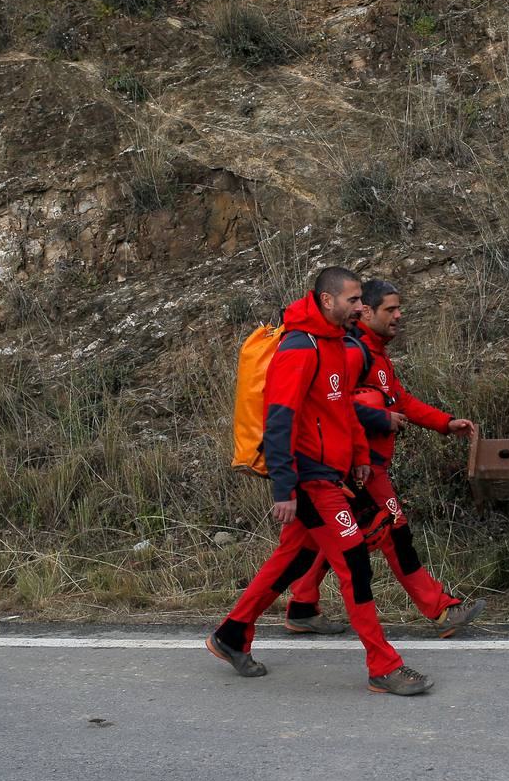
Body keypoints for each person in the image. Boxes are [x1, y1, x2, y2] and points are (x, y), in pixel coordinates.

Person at [206, 267, 432, 696]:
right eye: (353, 301)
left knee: (290, 560)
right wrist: (284, 490)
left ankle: (232, 634)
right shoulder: (299, 348)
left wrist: (361, 458)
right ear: (327, 301)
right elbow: (280, 423)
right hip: (310, 480)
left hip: (335, 475)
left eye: (361, 301)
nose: (360, 308)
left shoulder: (335, 345)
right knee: (355, 566)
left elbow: (343, 411)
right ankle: (383, 665)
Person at [284, 279, 486, 639]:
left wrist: (445, 423)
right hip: (361, 469)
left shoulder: (375, 353)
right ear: (367, 312)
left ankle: (299, 606)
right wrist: (379, 419)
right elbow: (332, 406)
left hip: (346, 471)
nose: (398, 315)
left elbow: (401, 401)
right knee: (396, 533)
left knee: (318, 542)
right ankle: (439, 610)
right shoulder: (353, 351)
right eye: (389, 309)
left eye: (398, 308)